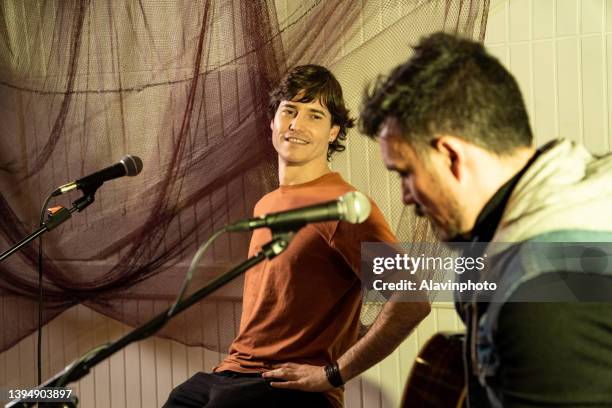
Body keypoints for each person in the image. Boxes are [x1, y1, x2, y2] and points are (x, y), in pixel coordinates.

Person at [360, 32, 612, 407]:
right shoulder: (555, 188)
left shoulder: (541, 299)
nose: (405, 196)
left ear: (451, 156)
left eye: (406, 172)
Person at [164, 65, 430, 408]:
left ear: (334, 132)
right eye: (289, 110)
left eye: (315, 116)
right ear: (272, 122)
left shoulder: (345, 206)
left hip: (288, 389)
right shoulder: (266, 204)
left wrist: (332, 374)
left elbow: (412, 299)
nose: (297, 124)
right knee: (180, 398)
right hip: (234, 373)